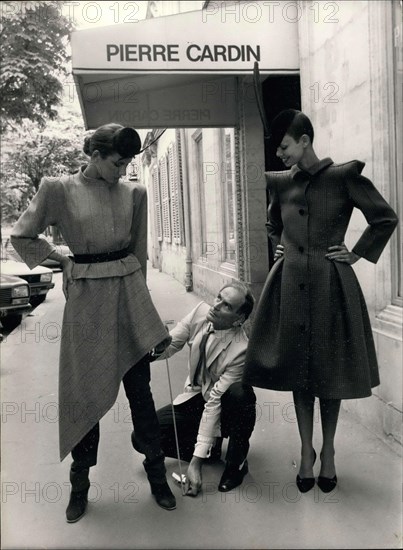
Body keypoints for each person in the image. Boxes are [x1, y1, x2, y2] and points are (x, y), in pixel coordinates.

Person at [11, 123, 176, 522]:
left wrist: (146, 311)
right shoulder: (58, 189)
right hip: (86, 303)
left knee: (141, 393)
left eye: (128, 164)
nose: (124, 171)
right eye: (118, 163)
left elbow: (138, 257)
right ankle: (80, 485)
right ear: (96, 156)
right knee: (84, 396)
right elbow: (21, 235)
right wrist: (64, 259)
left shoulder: (135, 193)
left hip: (128, 298)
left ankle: (158, 477)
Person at [243, 109, 398, 493]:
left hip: (332, 283)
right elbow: (272, 224)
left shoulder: (343, 177)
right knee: (298, 370)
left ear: (305, 140)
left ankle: (328, 452)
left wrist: (357, 253)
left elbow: (384, 217)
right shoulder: (281, 183)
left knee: (329, 372)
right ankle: (305, 450)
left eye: (284, 146)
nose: (280, 155)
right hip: (290, 282)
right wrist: (281, 246)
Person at [153, 282, 256, 496]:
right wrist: (157, 345)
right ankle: (211, 449)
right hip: (195, 396)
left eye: (226, 305)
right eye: (218, 297)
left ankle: (236, 465)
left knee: (241, 393)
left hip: (223, 405)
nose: (216, 305)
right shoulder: (200, 312)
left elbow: (215, 402)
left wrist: (195, 463)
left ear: (239, 320)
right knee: (142, 437)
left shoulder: (241, 349)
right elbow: (170, 347)